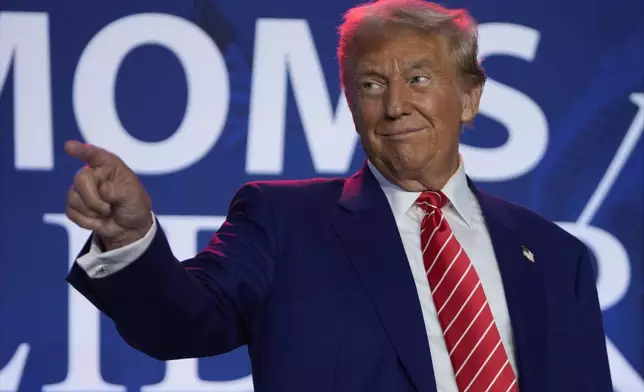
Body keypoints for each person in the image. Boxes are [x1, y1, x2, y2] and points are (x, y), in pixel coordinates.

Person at [64, 0, 613, 391]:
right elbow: (180, 322)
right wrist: (130, 238)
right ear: (351, 106)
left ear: (469, 98)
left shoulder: (555, 256)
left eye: (419, 79)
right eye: (371, 85)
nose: (395, 105)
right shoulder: (283, 222)